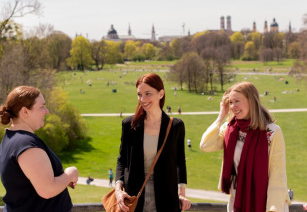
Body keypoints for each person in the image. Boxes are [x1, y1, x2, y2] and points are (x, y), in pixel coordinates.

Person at [200, 81, 290, 212]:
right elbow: (205, 145)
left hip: (265, 203)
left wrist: (273, 209)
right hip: (237, 201)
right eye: (230, 102)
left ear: (251, 101)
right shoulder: (229, 129)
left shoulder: (272, 132)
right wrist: (221, 116)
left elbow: (278, 175)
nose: (233, 106)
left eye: (237, 101)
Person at [115, 73, 190, 212]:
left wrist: (181, 193)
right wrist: (118, 190)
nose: (143, 99)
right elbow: (122, 160)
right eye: (139, 94)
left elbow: (180, 161)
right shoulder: (129, 125)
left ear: (161, 94)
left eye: (148, 93)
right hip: (134, 194)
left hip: (166, 195)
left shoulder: (175, 126)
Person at [0, 86, 78, 212]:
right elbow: (47, 190)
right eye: (42, 107)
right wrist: (70, 174)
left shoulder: (12, 138)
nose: (46, 111)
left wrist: (61, 180)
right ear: (25, 112)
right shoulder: (26, 144)